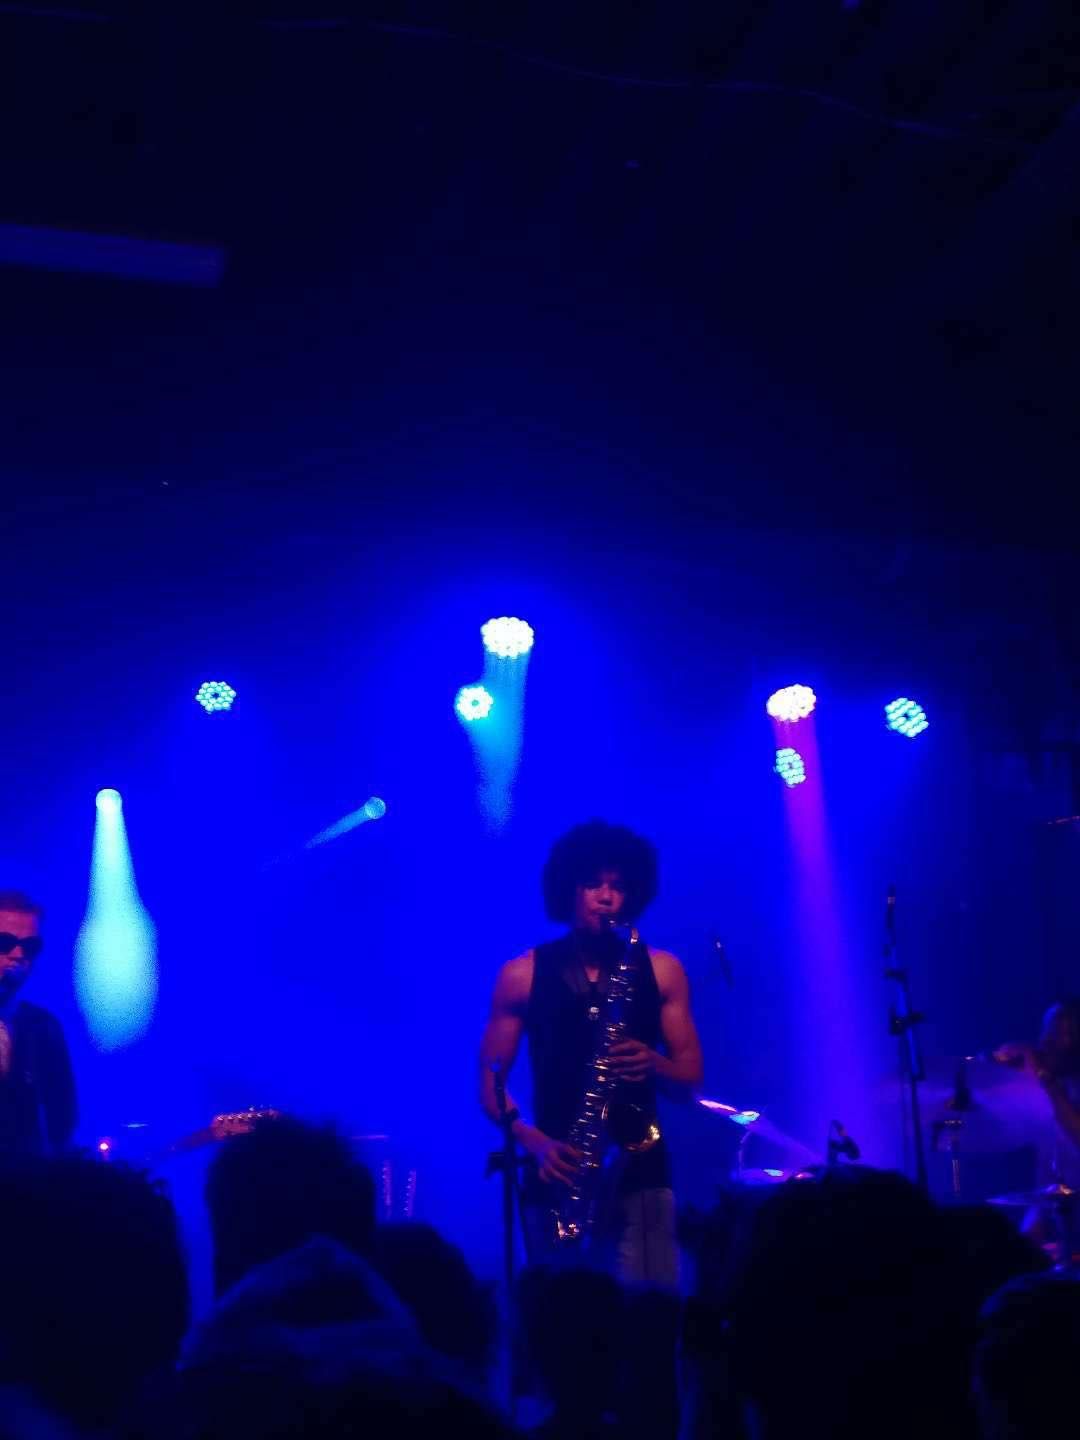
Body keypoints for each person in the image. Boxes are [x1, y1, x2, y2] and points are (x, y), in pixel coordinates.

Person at [479, 820, 703, 1288]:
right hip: (559, 1169)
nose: (606, 897)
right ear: (567, 889)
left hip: (640, 1172)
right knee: (559, 1318)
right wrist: (536, 1143)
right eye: (592, 884)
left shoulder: (663, 970)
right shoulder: (521, 974)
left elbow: (689, 1081)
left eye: (618, 887)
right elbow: (490, 1084)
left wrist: (654, 1063)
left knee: (650, 1312)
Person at [0, 889, 77, 1156]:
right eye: (4, 942)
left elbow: (63, 1120)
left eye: (30, 946)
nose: (18, 954)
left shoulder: (44, 1027)